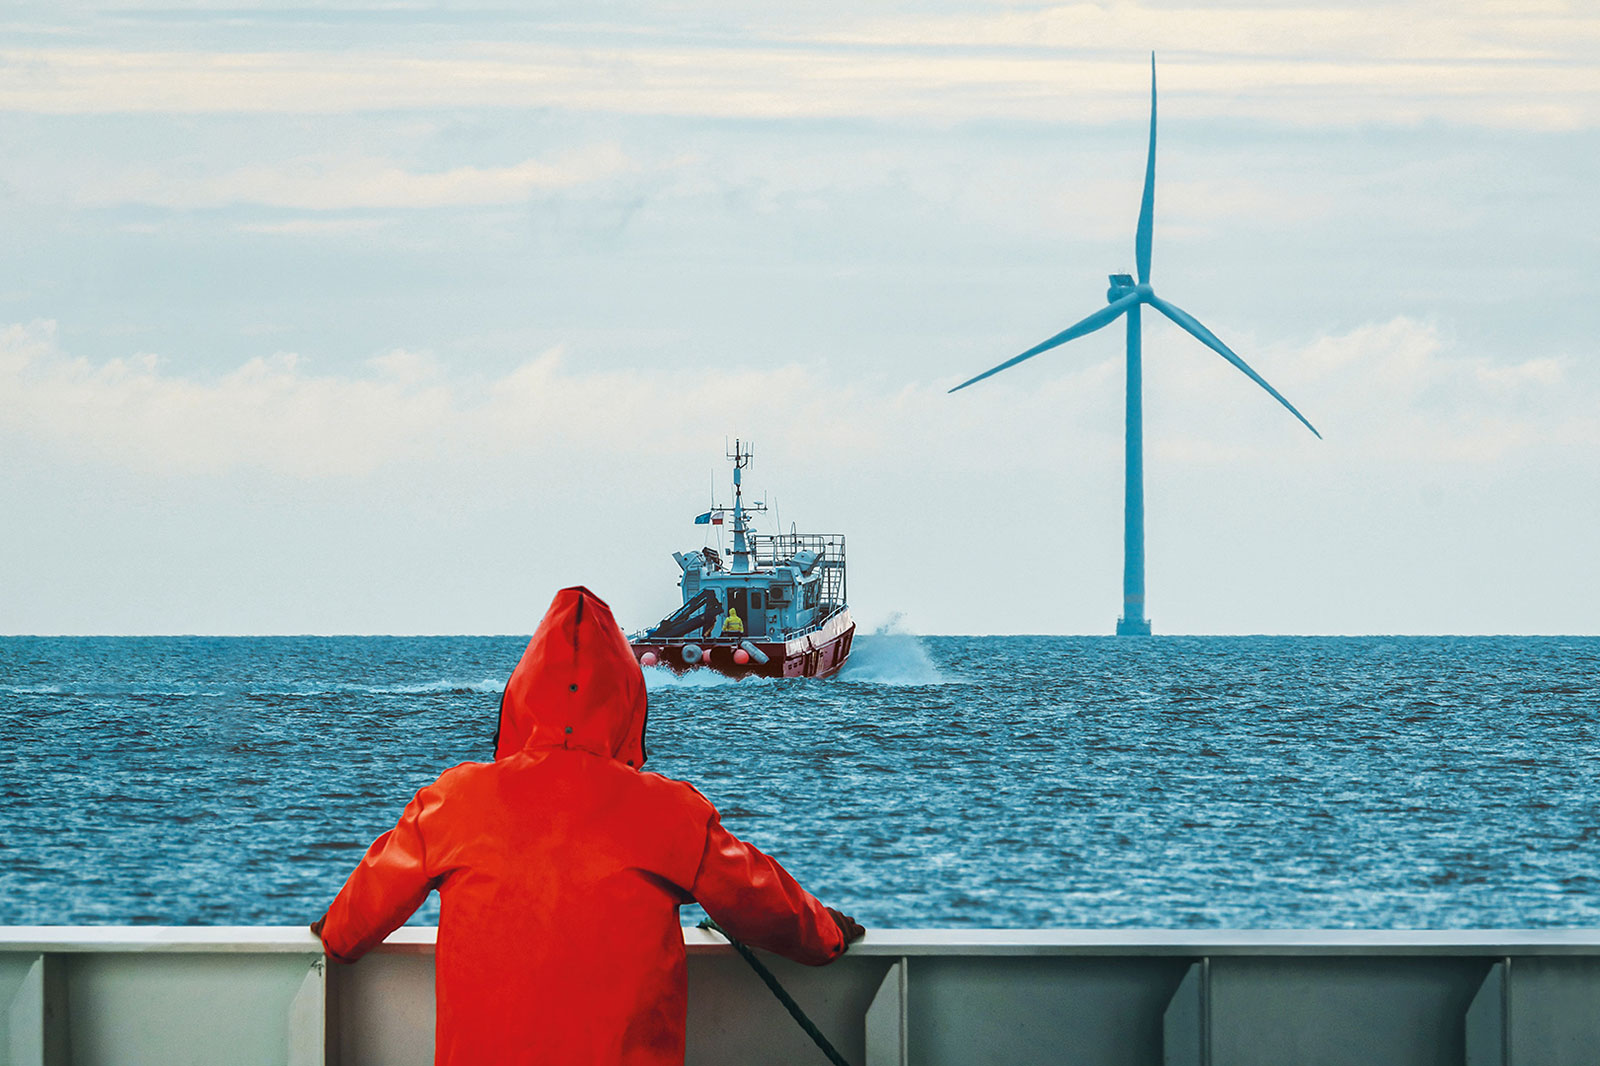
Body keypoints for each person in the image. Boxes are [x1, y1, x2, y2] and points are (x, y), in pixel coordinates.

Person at [311, 586, 863, 1065]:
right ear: (628, 701)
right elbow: (758, 898)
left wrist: (335, 932)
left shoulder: (452, 799)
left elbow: (357, 919)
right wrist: (827, 934)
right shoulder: (668, 809)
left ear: (519, 697)